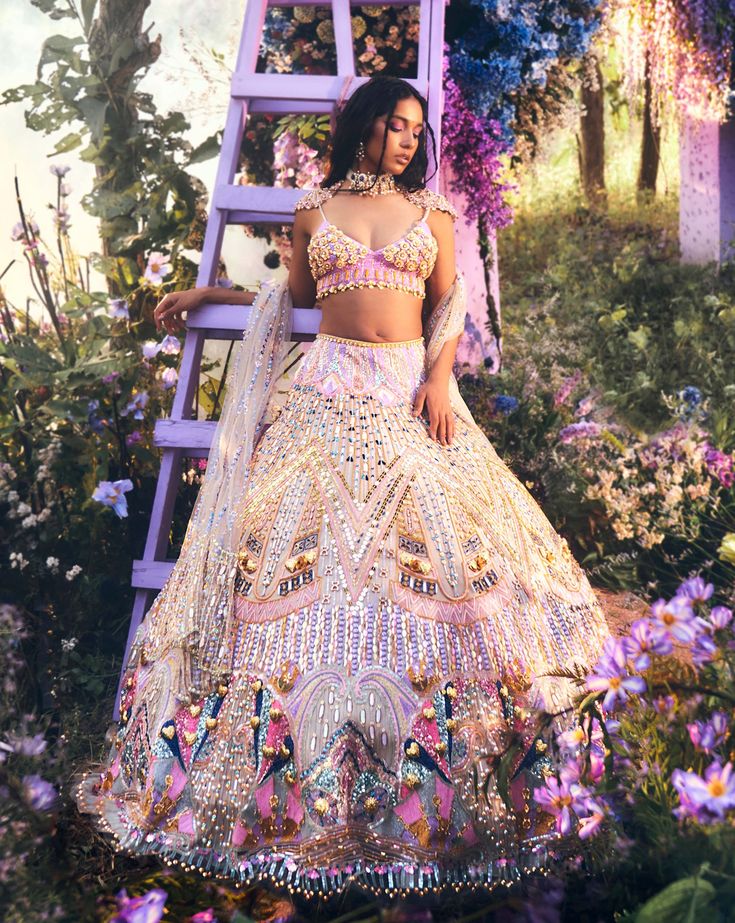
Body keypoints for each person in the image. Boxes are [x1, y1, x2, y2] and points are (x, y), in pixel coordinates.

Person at [75, 75, 611, 902]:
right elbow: (289, 303)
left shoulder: (432, 213)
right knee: (285, 561)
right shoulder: (312, 211)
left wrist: (437, 382)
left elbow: (450, 307)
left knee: (445, 555)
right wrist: (207, 294)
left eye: (415, 130)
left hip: (405, 397)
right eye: (393, 125)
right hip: (322, 396)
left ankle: (453, 793)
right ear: (362, 127)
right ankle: (282, 794)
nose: (405, 139)